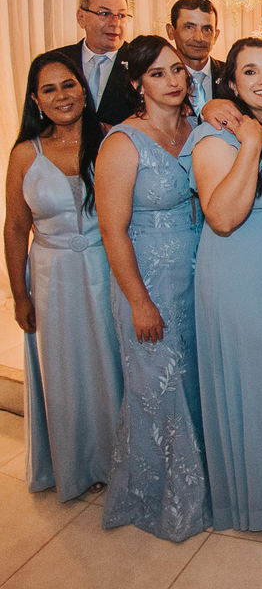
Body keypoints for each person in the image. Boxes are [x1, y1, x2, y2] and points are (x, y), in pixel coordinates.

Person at [182, 37, 262, 531]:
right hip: (243, 272)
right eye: (250, 72)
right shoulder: (219, 135)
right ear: (231, 84)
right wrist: (252, 144)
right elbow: (221, 215)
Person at [94, 35, 210, 541]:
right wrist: (139, 301)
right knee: (156, 386)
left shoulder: (201, 130)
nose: (171, 81)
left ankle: (210, 487)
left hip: (201, 272)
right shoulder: (122, 142)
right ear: (137, 83)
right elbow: (111, 229)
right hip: (149, 280)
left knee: (197, 382)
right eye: (158, 73)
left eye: (177, 71)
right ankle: (161, 496)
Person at [3, 52, 121, 500]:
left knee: (112, 361)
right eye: (49, 89)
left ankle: (120, 461)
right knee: (65, 369)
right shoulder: (23, 155)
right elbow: (15, 226)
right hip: (52, 276)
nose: (61, 96)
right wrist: (20, 293)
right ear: (36, 100)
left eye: (68, 85)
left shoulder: (111, 139)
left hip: (108, 266)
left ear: (83, 90)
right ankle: (76, 463)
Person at [40, 0, 135, 125]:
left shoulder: (140, 61)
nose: (115, 23)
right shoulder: (55, 62)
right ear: (81, 18)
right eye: (105, 14)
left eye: (121, 15)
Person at [165, 0, 224, 114]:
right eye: (189, 27)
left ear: (216, 36)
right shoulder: (160, 79)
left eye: (206, 29)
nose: (199, 38)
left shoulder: (231, 75)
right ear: (171, 32)